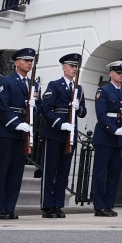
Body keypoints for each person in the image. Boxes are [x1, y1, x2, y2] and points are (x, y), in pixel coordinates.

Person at [0, 47, 37, 219]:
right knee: (3, 171)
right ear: (16, 62)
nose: (29, 63)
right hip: (6, 131)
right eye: (26, 60)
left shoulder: (34, 85)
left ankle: (10, 207)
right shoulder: (6, 81)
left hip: (23, 132)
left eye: (31, 61)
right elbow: (1, 106)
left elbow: (35, 110)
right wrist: (16, 123)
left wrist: (33, 106)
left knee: (16, 173)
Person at [38, 53, 87, 218]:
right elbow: (46, 109)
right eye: (71, 66)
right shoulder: (55, 85)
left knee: (63, 171)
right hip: (54, 133)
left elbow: (83, 112)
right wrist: (60, 123)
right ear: (64, 67)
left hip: (70, 135)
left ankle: (58, 204)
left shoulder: (78, 89)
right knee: (50, 170)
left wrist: (78, 107)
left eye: (76, 67)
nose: (74, 69)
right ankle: (47, 205)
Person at [93, 60, 122, 217]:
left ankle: (109, 204)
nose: (121, 75)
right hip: (105, 137)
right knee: (100, 173)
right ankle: (99, 206)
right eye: (118, 72)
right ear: (110, 73)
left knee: (114, 174)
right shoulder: (103, 91)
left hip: (119, 139)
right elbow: (101, 115)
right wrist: (115, 130)